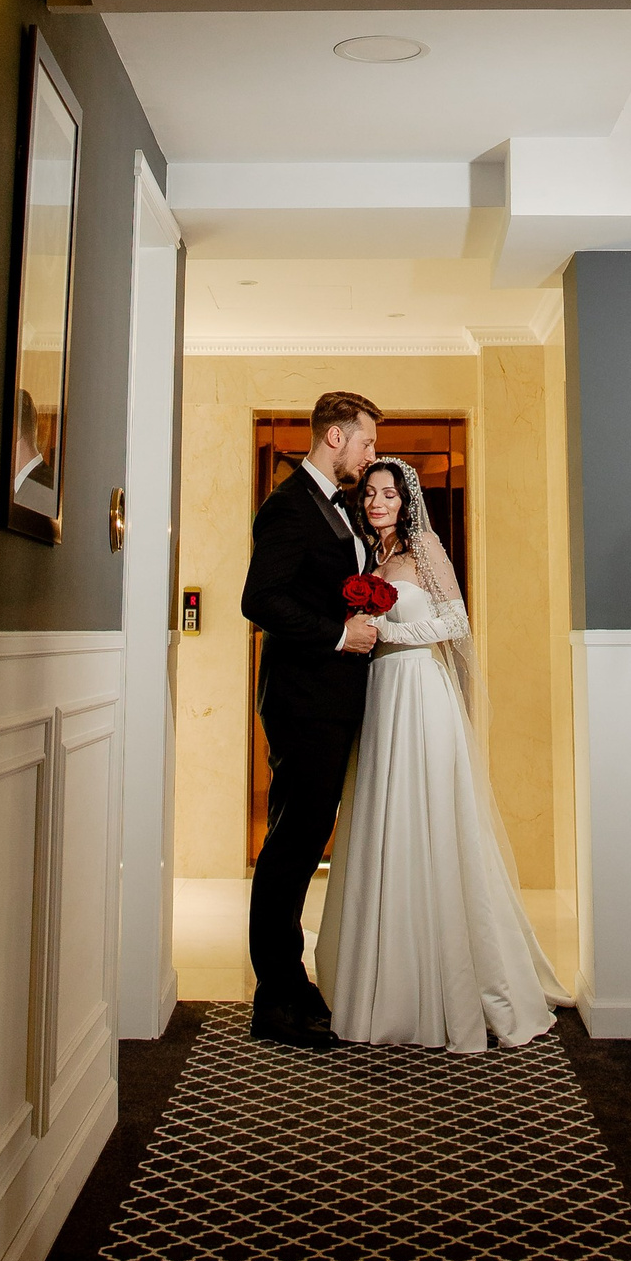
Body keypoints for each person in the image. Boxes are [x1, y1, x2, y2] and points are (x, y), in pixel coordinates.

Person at [315, 456, 560, 1053]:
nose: (377, 502)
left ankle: (449, 984)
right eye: (370, 494)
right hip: (381, 696)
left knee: (430, 821)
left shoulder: (424, 548)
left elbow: (455, 621)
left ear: (406, 502)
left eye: (388, 494)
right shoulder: (367, 558)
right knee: (384, 822)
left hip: (421, 691)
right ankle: (382, 980)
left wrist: (387, 632)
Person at [240, 391, 384, 1049]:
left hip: (332, 699)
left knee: (304, 842)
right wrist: (338, 634)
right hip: (303, 701)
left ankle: (291, 984)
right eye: (366, 441)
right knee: (291, 845)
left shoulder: (338, 505)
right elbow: (260, 599)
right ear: (334, 438)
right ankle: (274, 999)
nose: (371, 453)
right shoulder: (288, 505)